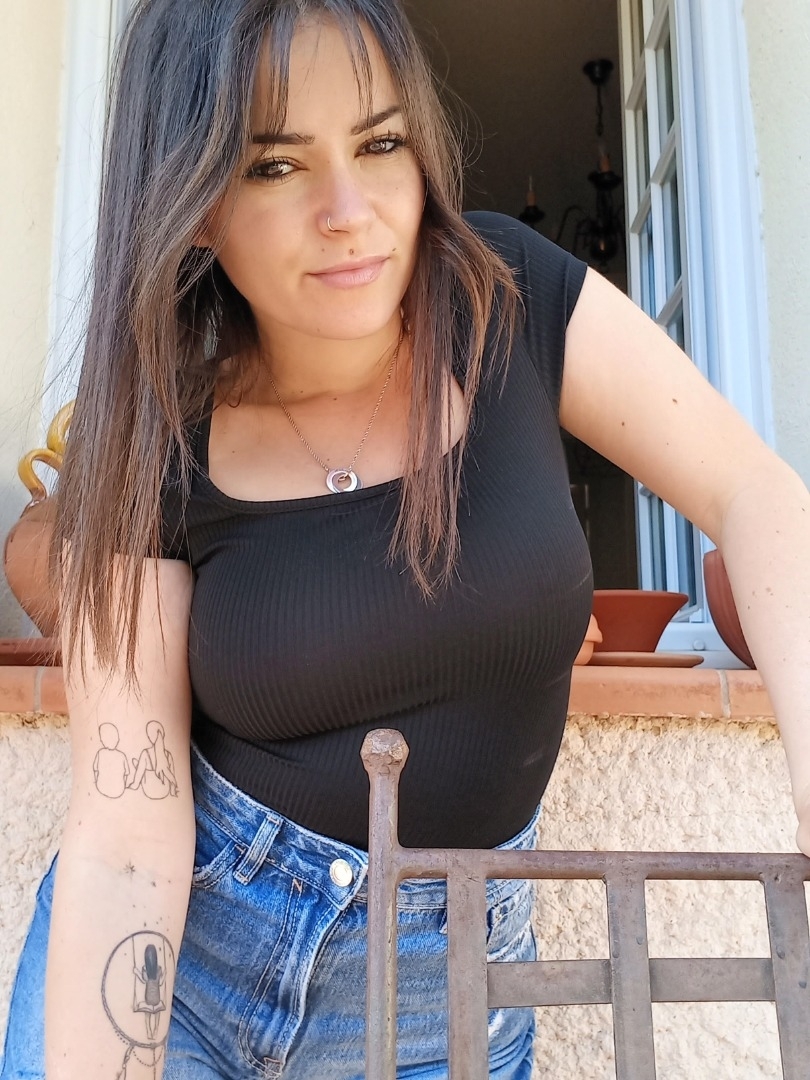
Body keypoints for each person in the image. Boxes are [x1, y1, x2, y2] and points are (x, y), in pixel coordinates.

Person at [2, 0, 810, 1077]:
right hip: (184, 976)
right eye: (275, 165)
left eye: (381, 144)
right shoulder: (159, 435)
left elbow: (754, 493)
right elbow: (125, 840)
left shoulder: (509, 297)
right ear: (191, 205)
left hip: (445, 1003)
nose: (350, 211)